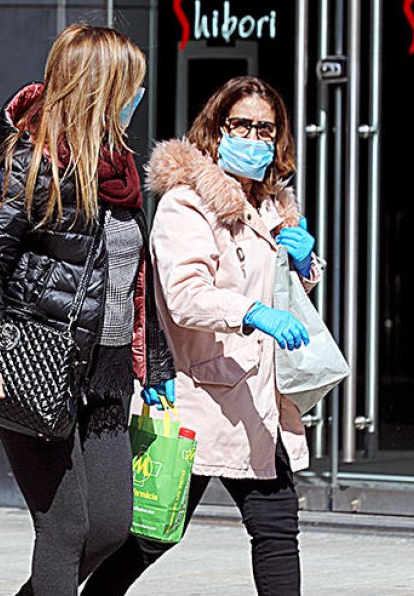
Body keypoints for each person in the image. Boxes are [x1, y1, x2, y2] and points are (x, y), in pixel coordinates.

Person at [0, 23, 174, 596]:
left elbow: (130, 279)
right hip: (32, 365)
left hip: (104, 372)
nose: (137, 99)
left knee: (110, 526)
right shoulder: (27, 163)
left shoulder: (118, 170)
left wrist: (156, 367)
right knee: (65, 526)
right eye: (132, 87)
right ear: (101, 87)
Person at [85, 76, 320, 596]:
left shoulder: (274, 205)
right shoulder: (187, 203)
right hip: (198, 397)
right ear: (217, 128)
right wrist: (254, 312)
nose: (255, 138)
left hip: (259, 397)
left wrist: (303, 265)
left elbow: (278, 289)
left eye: (267, 128)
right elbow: (186, 294)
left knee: (278, 528)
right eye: (243, 125)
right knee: (152, 534)